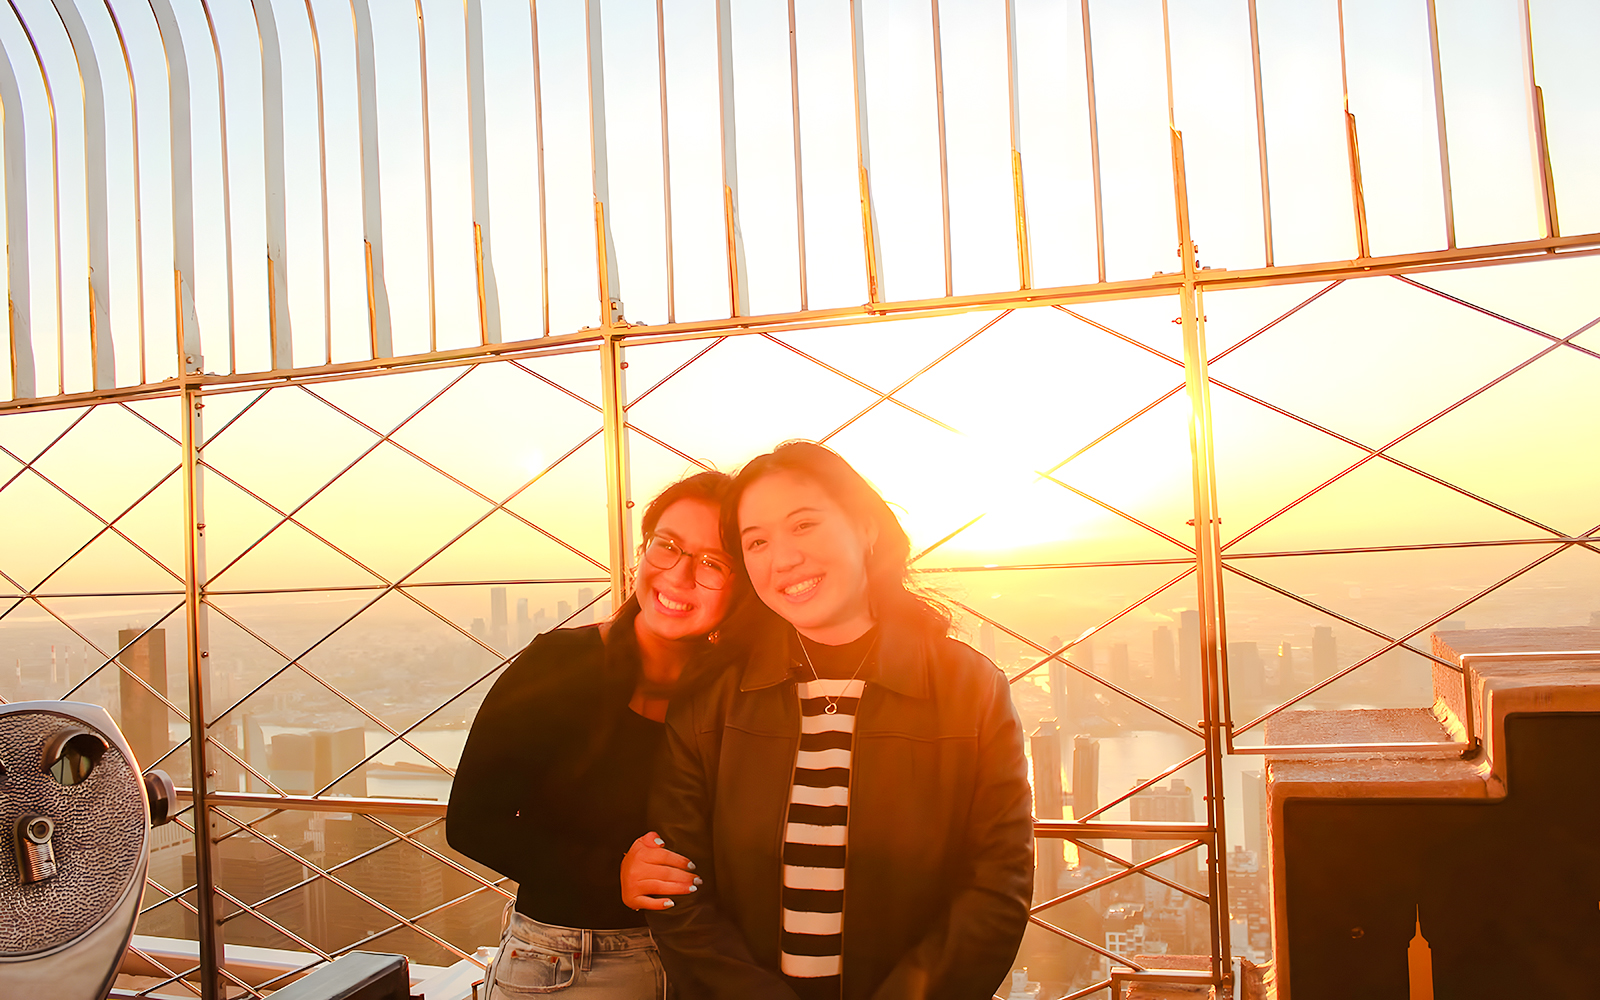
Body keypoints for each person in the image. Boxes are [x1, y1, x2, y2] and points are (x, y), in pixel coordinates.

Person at [645, 441, 1034, 999]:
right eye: (757, 542)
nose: (782, 559)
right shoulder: (712, 696)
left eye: (804, 526)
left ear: (866, 529)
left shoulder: (969, 688)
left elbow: (997, 886)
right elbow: (677, 886)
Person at [448, 471, 739, 998]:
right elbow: (472, 824)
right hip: (569, 963)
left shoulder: (738, 689)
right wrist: (614, 873)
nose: (679, 574)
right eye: (668, 546)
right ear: (641, 552)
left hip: (706, 963)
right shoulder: (559, 664)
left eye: (714, 562)